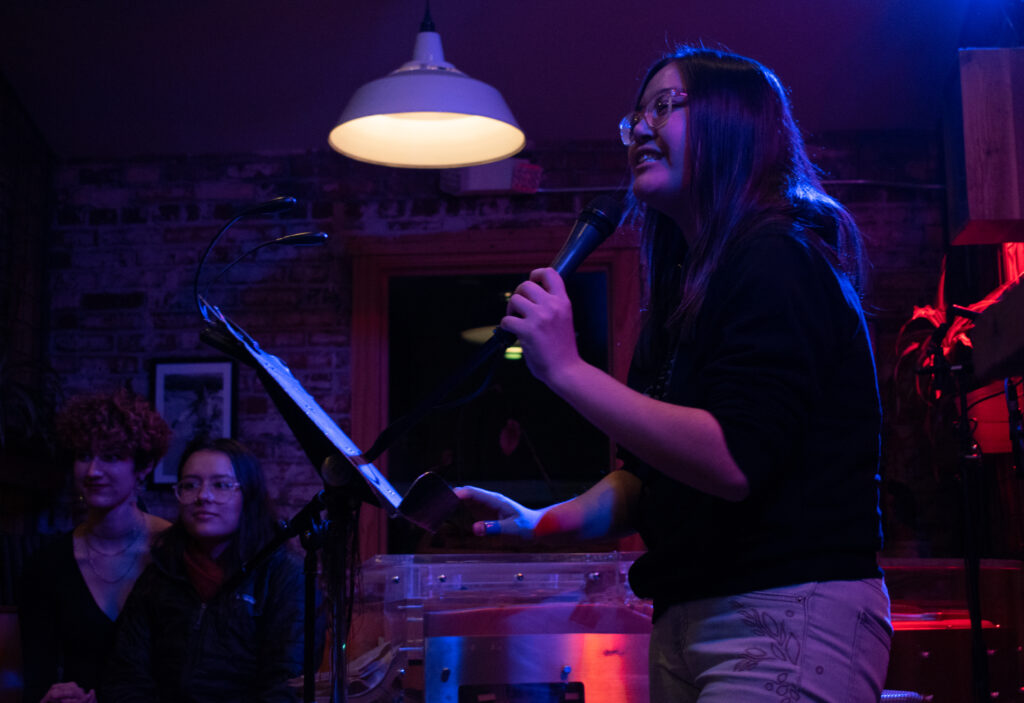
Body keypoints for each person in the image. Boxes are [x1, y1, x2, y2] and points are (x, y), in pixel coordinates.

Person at [455, 46, 891, 702]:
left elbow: (732, 459)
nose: (642, 129)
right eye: (636, 116)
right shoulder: (685, 291)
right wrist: (542, 522)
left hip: (784, 606)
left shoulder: (778, 259)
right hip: (689, 614)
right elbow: (647, 480)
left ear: (735, 121)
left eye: (665, 106)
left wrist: (567, 369)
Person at [103, 437, 306, 703]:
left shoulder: (282, 576)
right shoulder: (162, 573)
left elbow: (287, 684)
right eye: (190, 485)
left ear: (249, 495)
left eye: (221, 485)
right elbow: (127, 675)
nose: (203, 497)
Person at [18, 388, 173, 703]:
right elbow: (36, 675)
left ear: (142, 467)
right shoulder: (48, 565)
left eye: (111, 456)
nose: (92, 471)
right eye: (84, 455)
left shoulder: (175, 551)